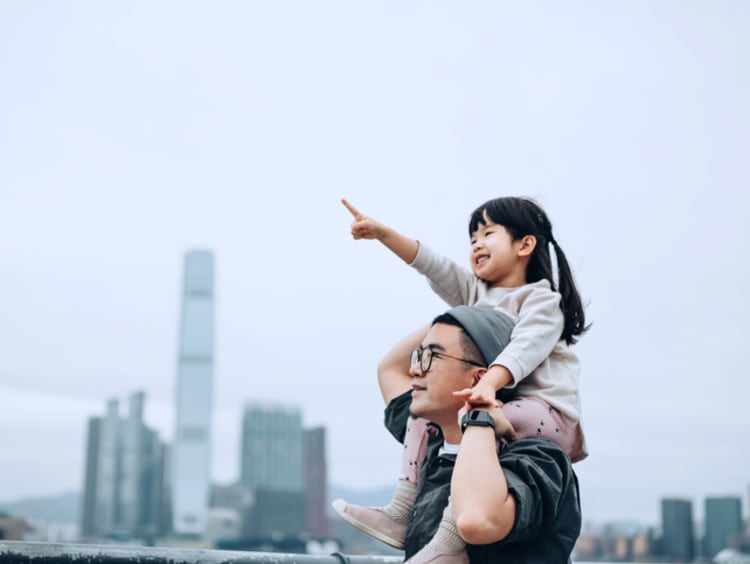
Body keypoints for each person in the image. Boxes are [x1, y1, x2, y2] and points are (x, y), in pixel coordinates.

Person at [333, 197, 588, 563]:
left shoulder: (541, 299)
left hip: (545, 414)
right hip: (495, 400)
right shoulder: (476, 295)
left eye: (487, 234)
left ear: (525, 244)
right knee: (426, 412)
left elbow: (524, 350)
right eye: (471, 240)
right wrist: (383, 234)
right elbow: (434, 267)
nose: (476, 245)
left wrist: (488, 386)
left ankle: (449, 543)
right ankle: (401, 510)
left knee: (475, 413)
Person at [340, 305, 582, 562]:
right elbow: (389, 369)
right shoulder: (428, 444)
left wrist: (479, 414)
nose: (415, 369)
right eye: (417, 356)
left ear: (478, 378)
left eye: (431, 357)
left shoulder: (538, 460)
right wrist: (478, 302)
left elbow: (477, 520)